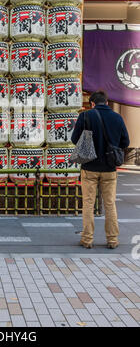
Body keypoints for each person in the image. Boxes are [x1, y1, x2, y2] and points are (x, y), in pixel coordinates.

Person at [71, 90, 130, 249]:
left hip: (89, 166)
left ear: (92, 103)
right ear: (107, 102)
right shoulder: (117, 117)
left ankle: (87, 239)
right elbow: (126, 141)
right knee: (110, 204)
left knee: (88, 204)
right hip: (110, 168)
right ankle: (112, 240)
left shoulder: (85, 116)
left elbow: (74, 139)